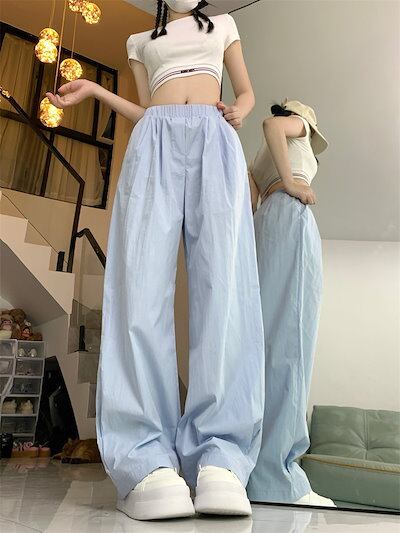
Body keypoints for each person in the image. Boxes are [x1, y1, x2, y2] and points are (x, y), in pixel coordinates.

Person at [47, 0, 264, 521]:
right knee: (139, 291)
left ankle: (220, 456)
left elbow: (246, 91)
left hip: (215, 140)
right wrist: (96, 90)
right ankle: (146, 460)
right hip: (154, 142)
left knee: (226, 291)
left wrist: (242, 109)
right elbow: (147, 110)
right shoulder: (139, 43)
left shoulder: (225, 25)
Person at [246, 99, 336, 507]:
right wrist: (292, 183)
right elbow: (271, 123)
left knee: (261, 347)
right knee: (293, 345)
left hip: (264, 226)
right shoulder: (297, 124)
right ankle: (280, 476)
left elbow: (249, 199)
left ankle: (251, 471)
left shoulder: (258, 160)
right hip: (290, 216)